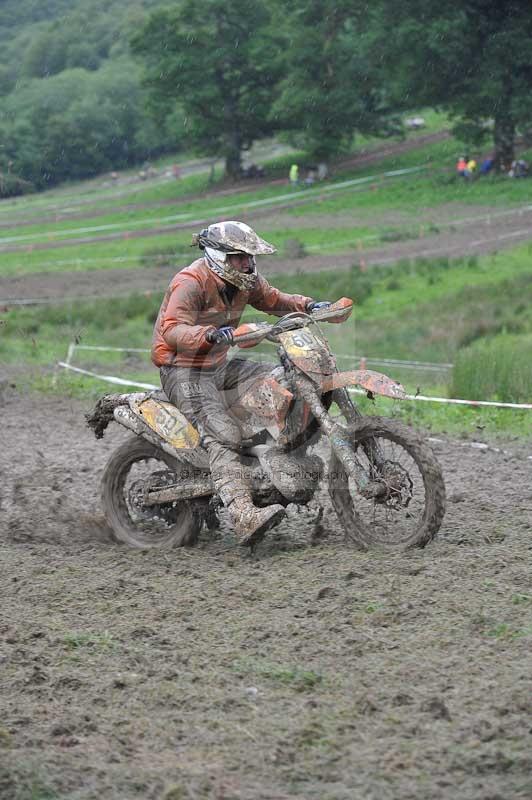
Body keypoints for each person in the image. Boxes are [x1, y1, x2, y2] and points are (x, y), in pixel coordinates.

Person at [151, 220, 331, 546]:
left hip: (217, 364)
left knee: (279, 381)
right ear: (218, 256)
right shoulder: (191, 282)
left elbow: (273, 299)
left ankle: (277, 458)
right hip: (182, 369)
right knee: (222, 432)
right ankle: (242, 515)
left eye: (249, 257)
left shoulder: (245, 281)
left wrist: (309, 305)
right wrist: (209, 333)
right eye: (239, 257)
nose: (247, 264)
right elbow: (172, 330)